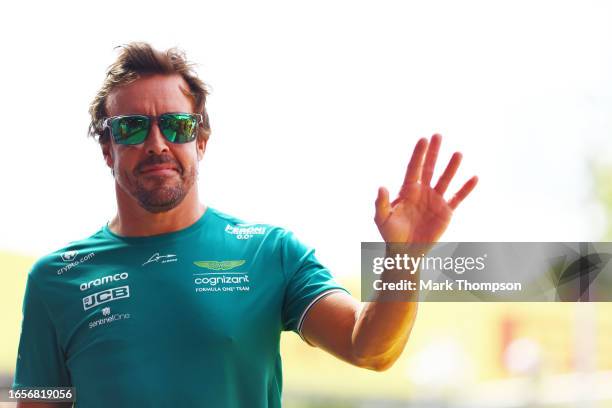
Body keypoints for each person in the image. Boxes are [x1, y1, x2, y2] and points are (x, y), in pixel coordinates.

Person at [13, 42, 478, 408]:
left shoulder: (269, 253)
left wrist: (402, 261)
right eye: (132, 127)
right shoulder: (56, 279)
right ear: (108, 149)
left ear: (202, 140)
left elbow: (370, 349)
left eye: (176, 126)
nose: (157, 143)